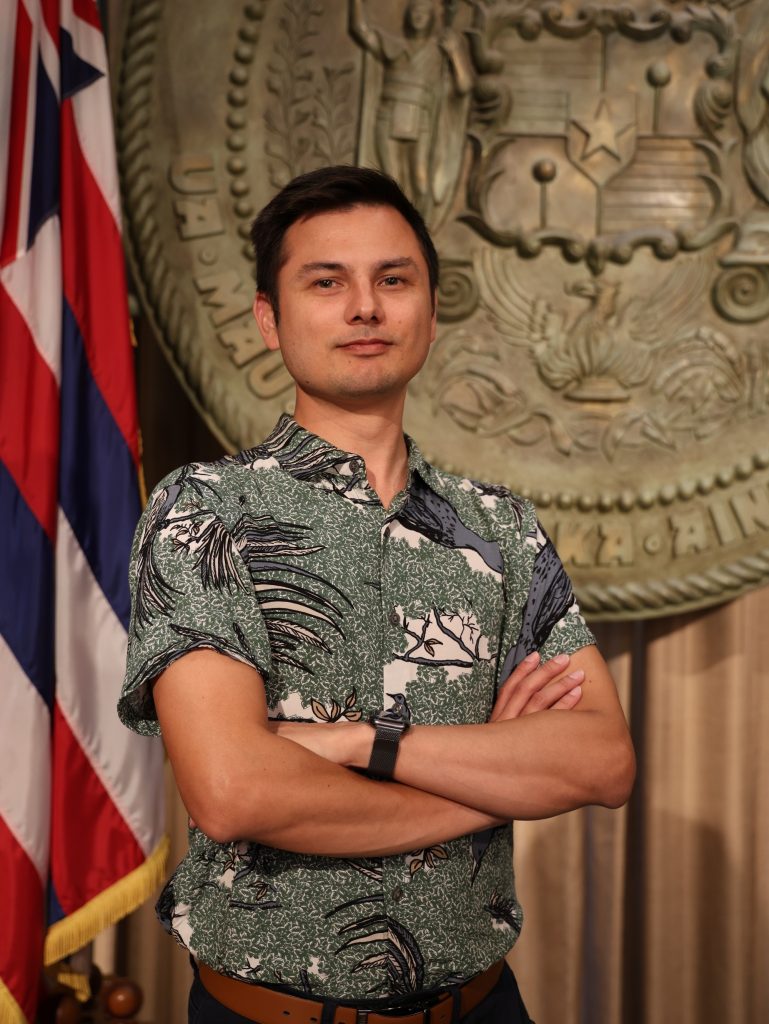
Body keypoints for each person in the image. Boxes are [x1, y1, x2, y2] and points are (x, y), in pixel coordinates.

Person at [118, 165, 635, 1024]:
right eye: (327, 282)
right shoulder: (204, 512)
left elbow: (601, 762)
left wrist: (354, 742)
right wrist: (495, 775)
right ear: (268, 318)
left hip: (483, 1007)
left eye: (393, 280)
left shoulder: (500, 526)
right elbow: (235, 791)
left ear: (429, 311)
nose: (366, 307)